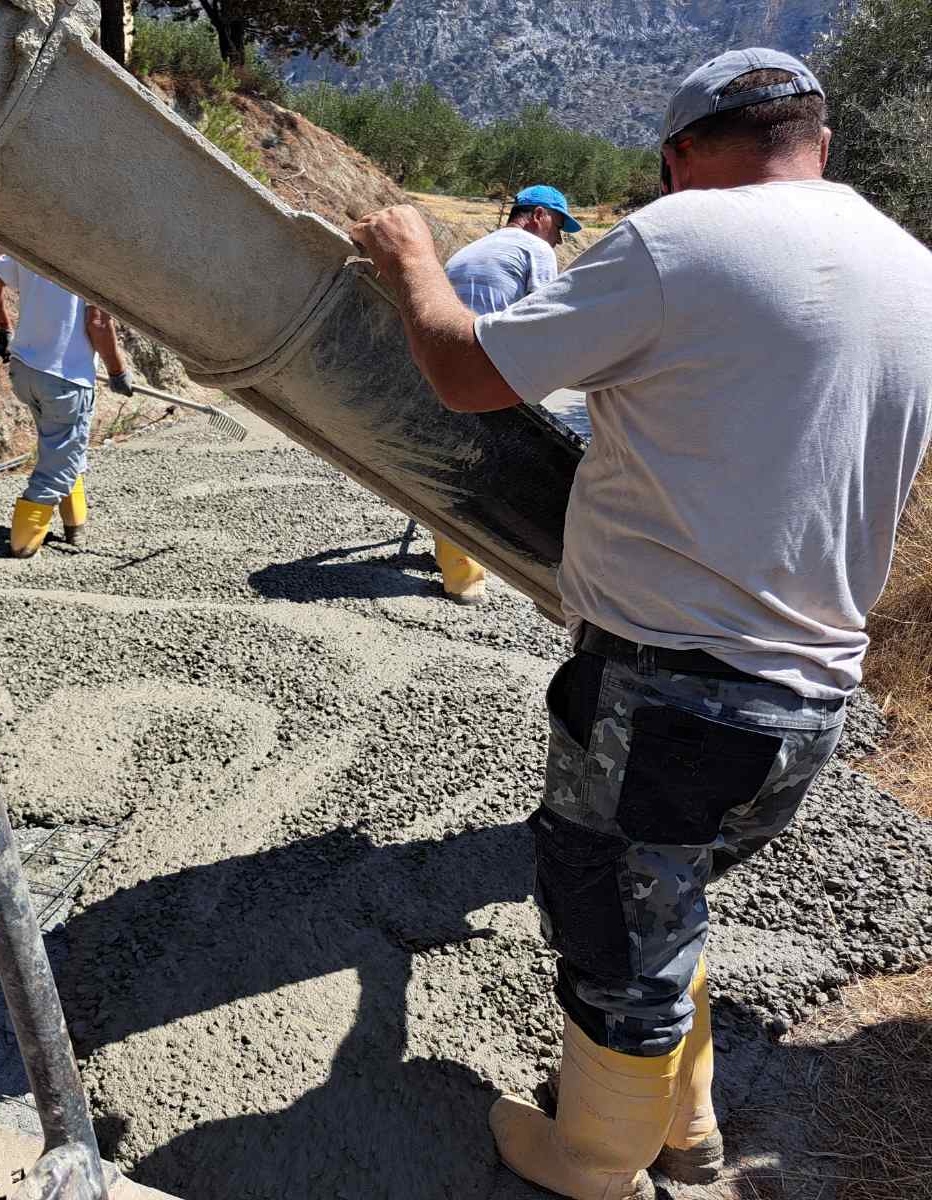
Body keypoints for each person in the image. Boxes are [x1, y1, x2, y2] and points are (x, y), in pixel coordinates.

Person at [351, 48, 932, 1200]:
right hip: (810, 696)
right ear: (819, 140)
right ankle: (687, 1123)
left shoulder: (683, 240)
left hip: (673, 690)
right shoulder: (912, 268)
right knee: (664, 893)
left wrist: (414, 261)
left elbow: (472, 374)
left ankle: (593, 1157)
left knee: (610, 917)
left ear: (678, 156)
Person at [432, 184, 580, 604]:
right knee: (484, 467)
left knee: (449, 459)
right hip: (483, 366)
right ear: (536, 216)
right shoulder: (535, 249)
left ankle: (450, 555)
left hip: (440, 359)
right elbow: (549, 314)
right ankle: (467, 576)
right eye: (557, 226)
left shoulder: (479, 247)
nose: (559, 238)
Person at [0, 255, 134, 557]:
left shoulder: (29, 245)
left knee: (61, 449)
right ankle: (23, 545)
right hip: (65, 379)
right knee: (58, 460)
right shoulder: (92, 260)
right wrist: (117, 371)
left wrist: (2, 329)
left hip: (25, 371)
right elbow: (98, 323)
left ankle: (75, 527)